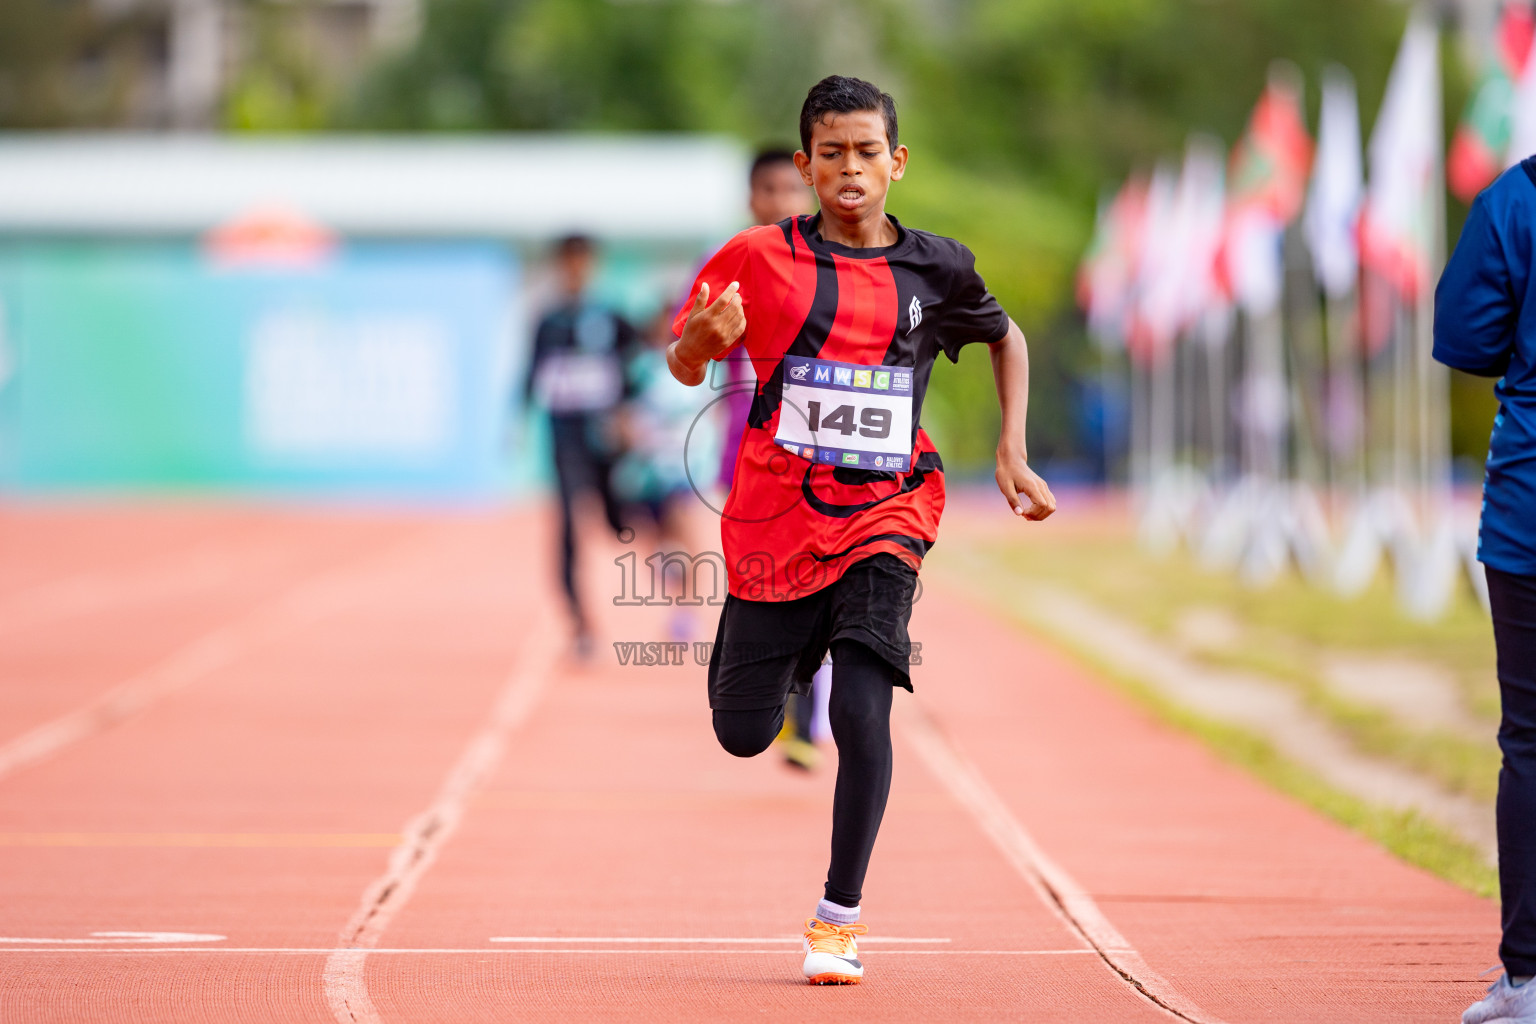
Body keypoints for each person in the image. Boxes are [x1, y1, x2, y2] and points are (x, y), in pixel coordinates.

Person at [666, 75, 1055, 986]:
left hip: (889, 507)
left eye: (867, 152)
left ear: (897, 162)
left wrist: (1011, 448)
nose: (850, 169)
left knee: (862, 700)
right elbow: (685, 363)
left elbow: (1007, 336)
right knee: (741, 733)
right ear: (804, 166)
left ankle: (838, 917)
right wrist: (701, 339)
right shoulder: (757, 258)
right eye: (831, 153)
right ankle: (793, 645)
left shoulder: (938, 267)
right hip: (773, 520)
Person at [1437, 155, 1536, 1024]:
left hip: (1532, 514)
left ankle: (1532, 982)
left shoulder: (1515, 199)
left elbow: (1465, 339)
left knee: (1534, 741)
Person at [729, 149, 825, 771]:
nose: (782, 200)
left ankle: (805, 722)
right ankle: (769, 693)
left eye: (793, 188)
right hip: (747, 452)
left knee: (820, 582)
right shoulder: (738, 264)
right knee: (766, 583)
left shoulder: (833, 268)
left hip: (818, 456)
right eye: (769, 189)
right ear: (751, 198)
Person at [524, 234, 637, 659]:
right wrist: (517, 421)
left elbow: (639, 362)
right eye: (567, 263)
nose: (575, 270)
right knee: (569, 526)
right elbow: (531, 373)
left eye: (582, 262)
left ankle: (668, 562)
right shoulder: (547, 321)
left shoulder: (610, 315)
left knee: (619, 523)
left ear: (592, 265)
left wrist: (628, 415)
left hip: (607, 442)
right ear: (559, 266)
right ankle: (580, 622)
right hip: (565, 440)